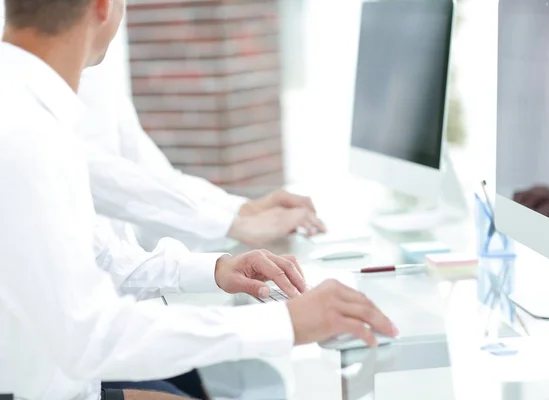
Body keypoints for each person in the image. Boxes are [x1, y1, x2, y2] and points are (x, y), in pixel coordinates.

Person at [0, 1, 398, 400]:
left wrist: (217, 269)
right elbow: (91, 338)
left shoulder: (29, 112)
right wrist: (285, 324)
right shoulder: (23, 134)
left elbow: (98, 257)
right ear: (103, 6)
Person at [77, 45, 326, 252]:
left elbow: (148, 172)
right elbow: (88, 171)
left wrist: (239, 210)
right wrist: (232, 223)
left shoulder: (98, 70)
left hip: (121, 275)